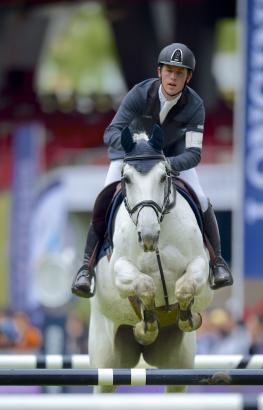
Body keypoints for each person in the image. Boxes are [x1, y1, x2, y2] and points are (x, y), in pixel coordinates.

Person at [72, 42, 233, 298]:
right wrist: (135, 147)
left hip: (171, 158)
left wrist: (168, 165)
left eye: (179, 73)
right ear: (159, 71)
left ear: (188, 77)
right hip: (133, 156)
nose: (173, 77)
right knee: (104, 195)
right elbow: (111, 132)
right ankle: (86, 268)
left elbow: (194, 153)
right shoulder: (139, 93)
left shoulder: (195, 106)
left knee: (201, 198)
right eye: (169, 70)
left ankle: (217, 263)